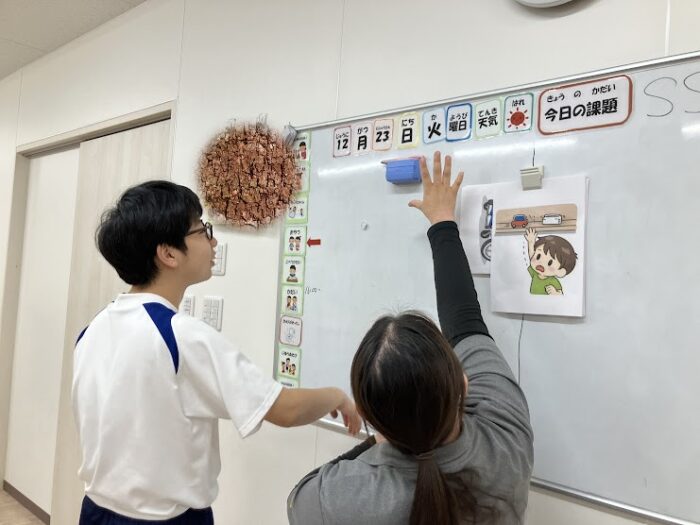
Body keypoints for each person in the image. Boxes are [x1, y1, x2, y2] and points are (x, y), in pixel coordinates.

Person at [73, 180, 360, 525]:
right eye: (202, 230)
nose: (214, 242)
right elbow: (285, 410)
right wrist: (336, 396)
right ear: (168, 254)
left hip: (95, 512)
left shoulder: (92, 330)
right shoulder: (180, 336)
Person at [287, 152, 533, 525]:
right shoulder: (505, 438)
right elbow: (465, 320)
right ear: (464, 384)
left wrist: (381, 434)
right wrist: (443, 222)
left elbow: (298, 498)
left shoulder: (338, 498)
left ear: (369, 417)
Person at [524, 227, 577, 295]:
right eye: (538, 256)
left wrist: (555, 293)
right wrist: (531, 242)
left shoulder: (553, 281)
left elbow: (561, 294)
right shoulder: (535, 273)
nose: (541, 263)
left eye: (550, 263)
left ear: (561, 272)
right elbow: (532, 256)